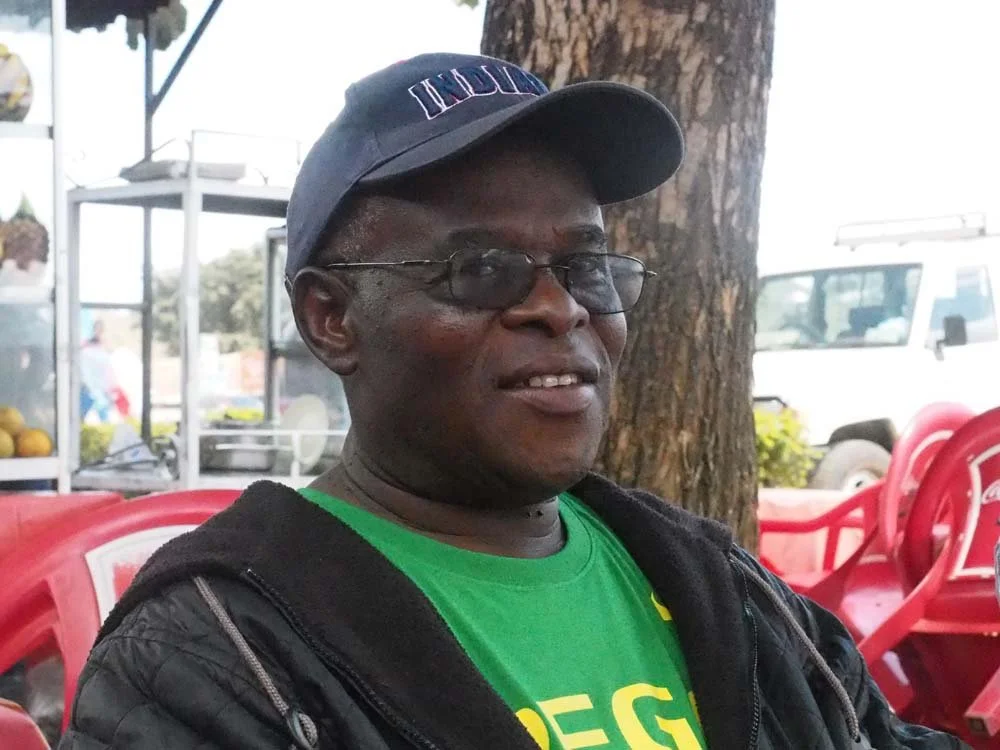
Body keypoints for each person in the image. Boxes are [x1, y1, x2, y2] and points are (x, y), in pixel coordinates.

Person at [59, 53, 965, 749]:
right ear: (331, 318)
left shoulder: (719, 586)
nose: (559, 306)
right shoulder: (210, 654)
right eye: (482, 269)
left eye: (585, 266)